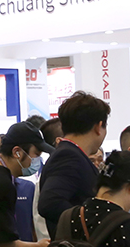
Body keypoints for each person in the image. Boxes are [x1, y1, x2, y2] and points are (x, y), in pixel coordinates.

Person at [38, 91, 110, 233]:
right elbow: (50, 204)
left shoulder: (71, 154)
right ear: (98, 126)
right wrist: (93, 221)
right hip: (77, 244)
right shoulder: (68, 156)